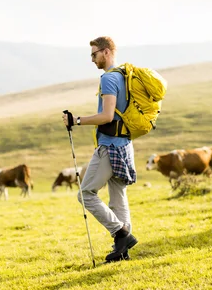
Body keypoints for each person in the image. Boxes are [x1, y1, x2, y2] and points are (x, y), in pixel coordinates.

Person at [61, 36, 138, 262]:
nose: (92, 59)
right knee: (118, 198)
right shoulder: (125, 76)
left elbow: (107, 115)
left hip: (110, 146)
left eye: (94, 54)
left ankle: (121, 234)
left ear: (106, 52)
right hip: (125, 145)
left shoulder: (108, 79)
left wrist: (76, 120)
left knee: (85, 194)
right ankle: (122, 252)